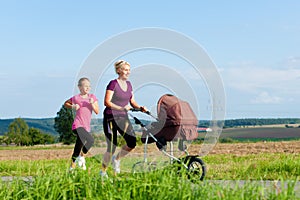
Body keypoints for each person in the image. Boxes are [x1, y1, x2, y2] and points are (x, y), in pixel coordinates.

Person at [100, 60, 147, 177]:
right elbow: (107, 102)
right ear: (118, 70)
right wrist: (121, 108)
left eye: (128, 70)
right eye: (125, 70)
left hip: (123, 118)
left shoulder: (129, 85)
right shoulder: (113, 84)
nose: (128, 72)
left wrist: (140, 107)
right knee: (112, 146)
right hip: (110, 117)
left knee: (132, 142)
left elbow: (132, 101)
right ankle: (103, 172)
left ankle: (117, 159)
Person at [64, 77, 99, 171]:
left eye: (89, 86)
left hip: (86, 126)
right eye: (85, 86)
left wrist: (92, 104)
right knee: (90, 139)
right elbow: (66, 103)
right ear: (79, 87)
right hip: (77, 125)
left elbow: (97, 111)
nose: (88, 88)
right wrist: (73, 106)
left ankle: (72, 166)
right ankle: (81, 158)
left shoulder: (92, 97)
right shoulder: (76, 98)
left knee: (78, 145)